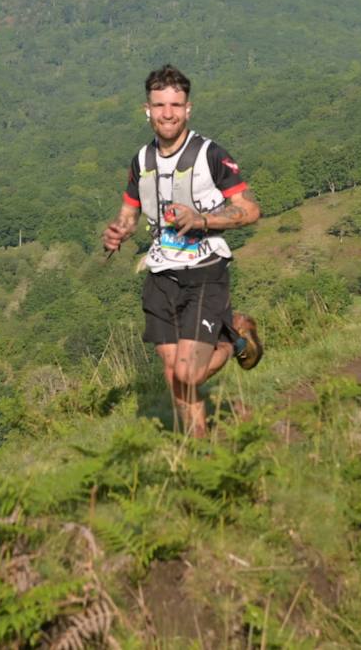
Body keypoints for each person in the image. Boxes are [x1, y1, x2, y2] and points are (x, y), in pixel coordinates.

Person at [101, 64, 263, 438]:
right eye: (160, 105)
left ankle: (234, 336)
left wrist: (203, 221)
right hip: (161, 274)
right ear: (147, 109)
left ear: (188, 108)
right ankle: (198, 446)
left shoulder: (210, 154)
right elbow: (130, 211)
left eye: (175, 105)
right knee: (173, 372)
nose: (168, 113)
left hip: (205, 270)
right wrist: (118, 233)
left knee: (189, 371)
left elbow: (250, 210)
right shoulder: (141, 161)